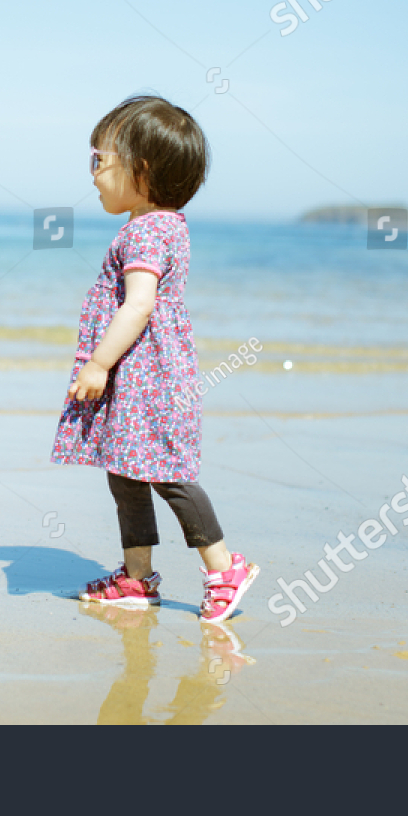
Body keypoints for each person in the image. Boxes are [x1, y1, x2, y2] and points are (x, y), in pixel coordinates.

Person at [51, 94, 258, 624]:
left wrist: (99, 363)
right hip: (143, 375)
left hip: (149, 378)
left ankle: (224, 567)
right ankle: (136, 578)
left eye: (99, 160)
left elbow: (139, 305)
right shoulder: (163, 226)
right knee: (126, 472)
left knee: (167, 472)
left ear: (139, 170)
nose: (92, 174)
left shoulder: (145, 231)